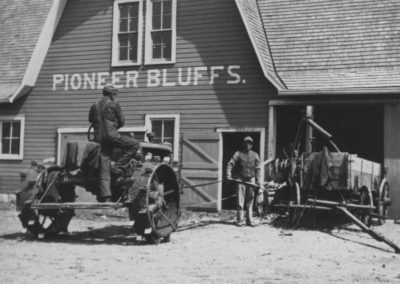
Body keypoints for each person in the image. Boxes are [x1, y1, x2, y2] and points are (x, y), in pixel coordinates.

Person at [88, 84, 140, 202]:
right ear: (112, 94)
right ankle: (118, 168)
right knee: (134, 144)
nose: (115, 96)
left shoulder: (94, 105)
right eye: (114, 94)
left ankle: (106, 196)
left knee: (104, 168)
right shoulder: (114, 104)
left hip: (98, 139)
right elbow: (122, 121)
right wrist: (113, 126)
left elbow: (91, 120)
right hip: (112, 136)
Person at [226, 136, 261, 227]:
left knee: (250, 201)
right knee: (240, 201)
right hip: (241, 179)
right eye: (246, 143)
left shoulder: (255, 155)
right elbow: (230, 164)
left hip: (251, 179)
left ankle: (249, 221)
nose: (247, 145)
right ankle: (239, 221)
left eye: (249, 143)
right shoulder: (238, 153)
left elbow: (258, 169)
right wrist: (228, 175)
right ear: (243, 143)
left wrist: (258, 181)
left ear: (252, 145)